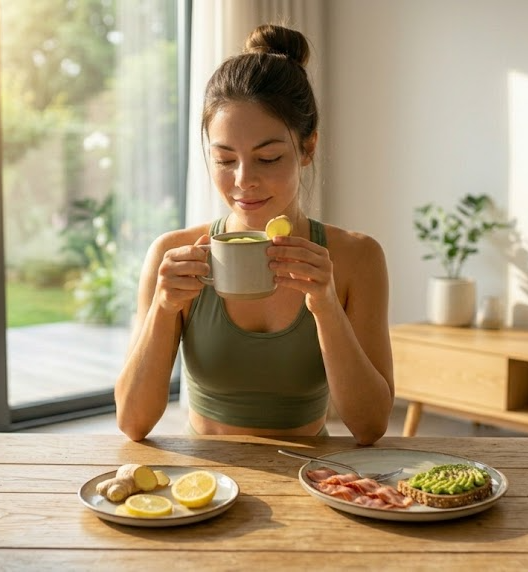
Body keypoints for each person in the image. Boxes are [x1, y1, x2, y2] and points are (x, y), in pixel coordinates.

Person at [114, 24, 394, 445]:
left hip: (310, 481)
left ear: (307, 148)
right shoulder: (173, 253)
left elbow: (370, 426)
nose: (244, 181)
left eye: (268, 158)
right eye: (225, 159)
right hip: (207, 487)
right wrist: (163, 307)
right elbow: (133, 423)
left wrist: (325, 304)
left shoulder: (357, 257)